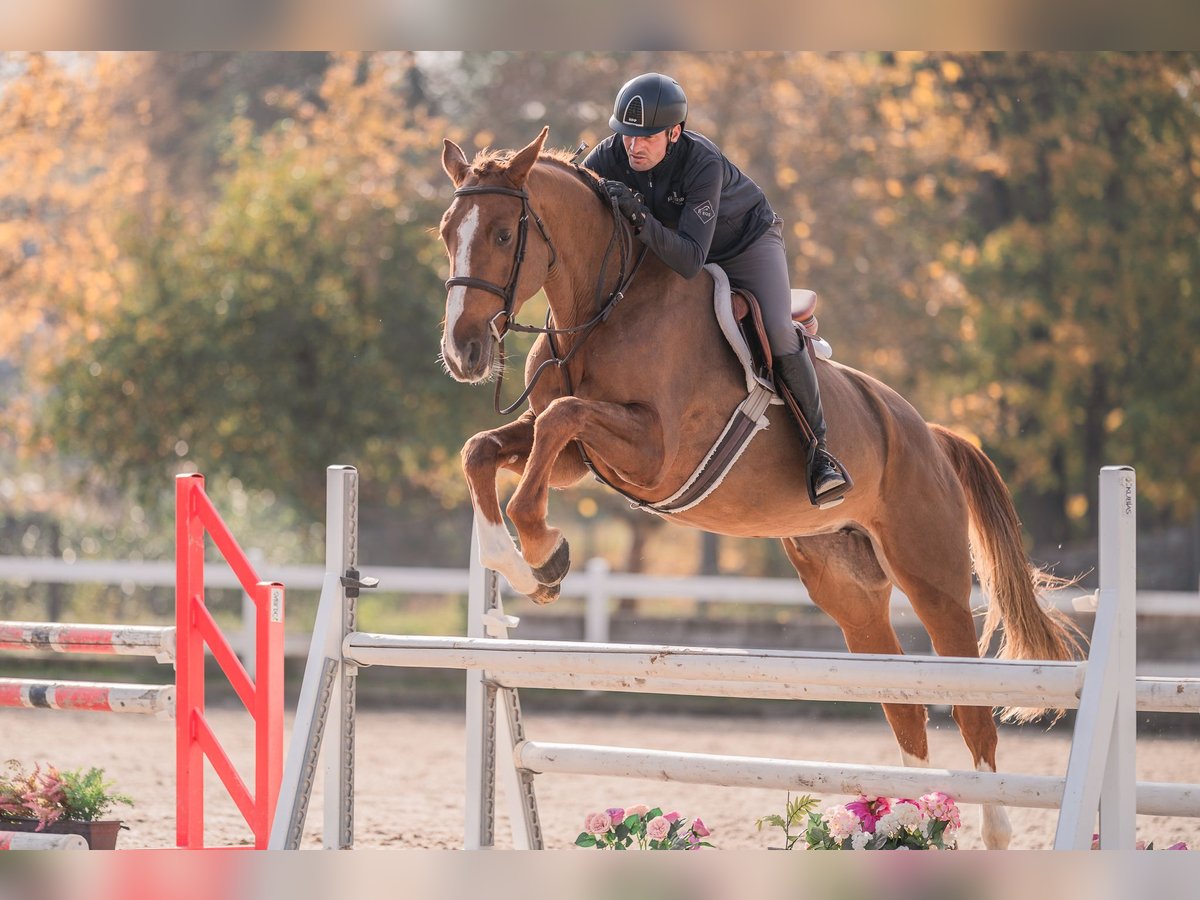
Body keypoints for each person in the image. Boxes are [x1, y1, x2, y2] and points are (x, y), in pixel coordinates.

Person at [583, 72, 847, 504]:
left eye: (647, 137)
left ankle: (820, 452)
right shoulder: (612, 154)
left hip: (745, 245)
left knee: (778, 329)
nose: (633, 146)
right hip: (674, 247)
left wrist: (640, 219)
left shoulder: (701, 163)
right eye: (627, 134)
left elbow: (690, 260)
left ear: (674, 132)